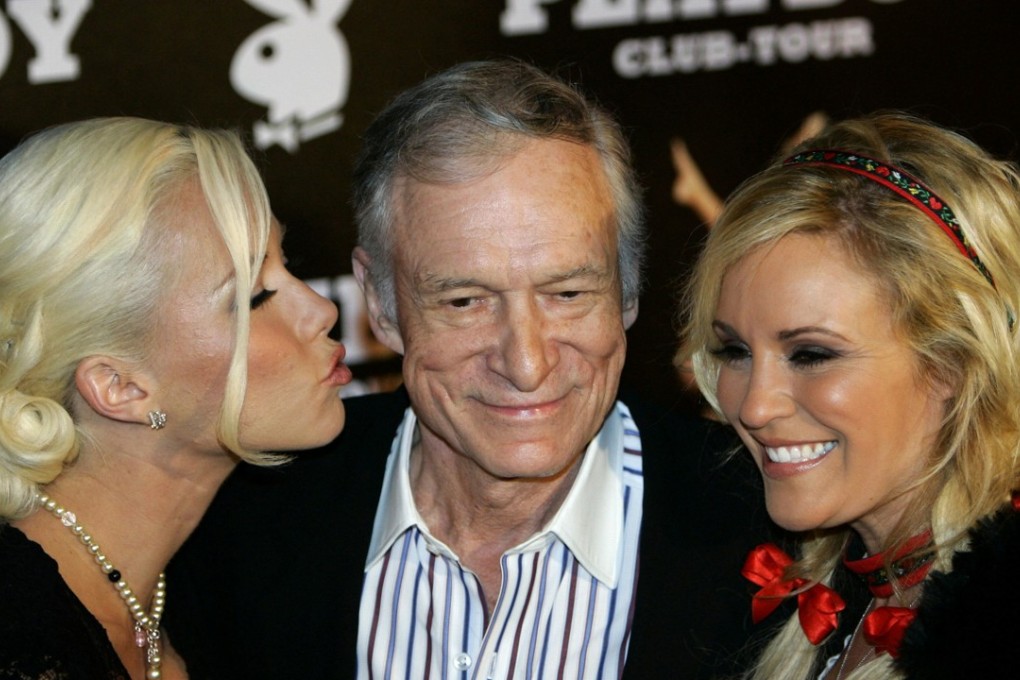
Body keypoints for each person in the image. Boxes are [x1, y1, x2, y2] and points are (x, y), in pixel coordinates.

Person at [166, 59, 774, 679]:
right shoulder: (238, 529)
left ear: (627, 290)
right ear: (380, 303)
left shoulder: (767, 533)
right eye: (465, 302)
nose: (527, 364)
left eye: (567, 294)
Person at [0, 118, 351, 678]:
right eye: (255, 298)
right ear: (120, 386)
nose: (323, 310)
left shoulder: (210, 592)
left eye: (289, 265)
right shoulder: (19, 635)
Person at [678, 112, 1020, 679]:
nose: (754, 407)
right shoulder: (788, 597)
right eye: (735, 350)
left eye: (812, 354)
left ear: (954, 361)